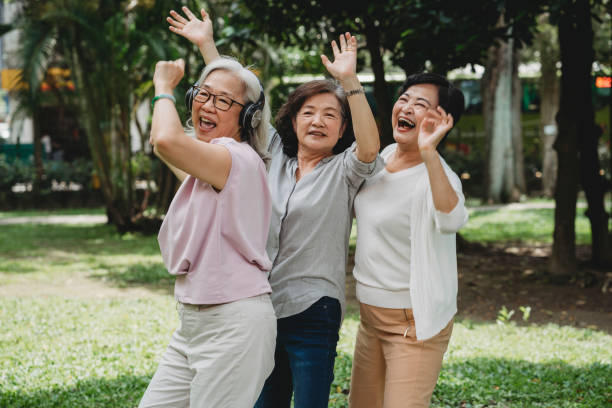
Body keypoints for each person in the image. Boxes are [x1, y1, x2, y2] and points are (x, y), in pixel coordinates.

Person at [165, 7, 382, 407]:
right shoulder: (270, 158)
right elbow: (238, 102)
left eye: (330, 115)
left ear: (342, 127)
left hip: (313, 309)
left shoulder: (345, 171)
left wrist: (349, 81)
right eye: (309, 112)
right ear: (294, 118)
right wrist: (207, 46)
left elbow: (369, 148)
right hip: (256, 307)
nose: (318, 121)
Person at [138, 22, 276, 408]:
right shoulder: (210, 169)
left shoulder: (235, 159)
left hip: (233, 324)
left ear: (248, 117)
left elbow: (167, 139)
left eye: (223, 102)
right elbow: (163, 144)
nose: (206, 105)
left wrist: (163, 88)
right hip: (193, 323)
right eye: (202, 95)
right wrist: (207, 48)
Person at [348, 72, 468, 408]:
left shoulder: (439, 176)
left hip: (413, 325)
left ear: (443, 120)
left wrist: (429, 152)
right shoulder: (382, 158)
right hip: (370, 318)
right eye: (405, 99)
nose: (407, 107)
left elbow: (452, 219)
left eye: (421, 104)